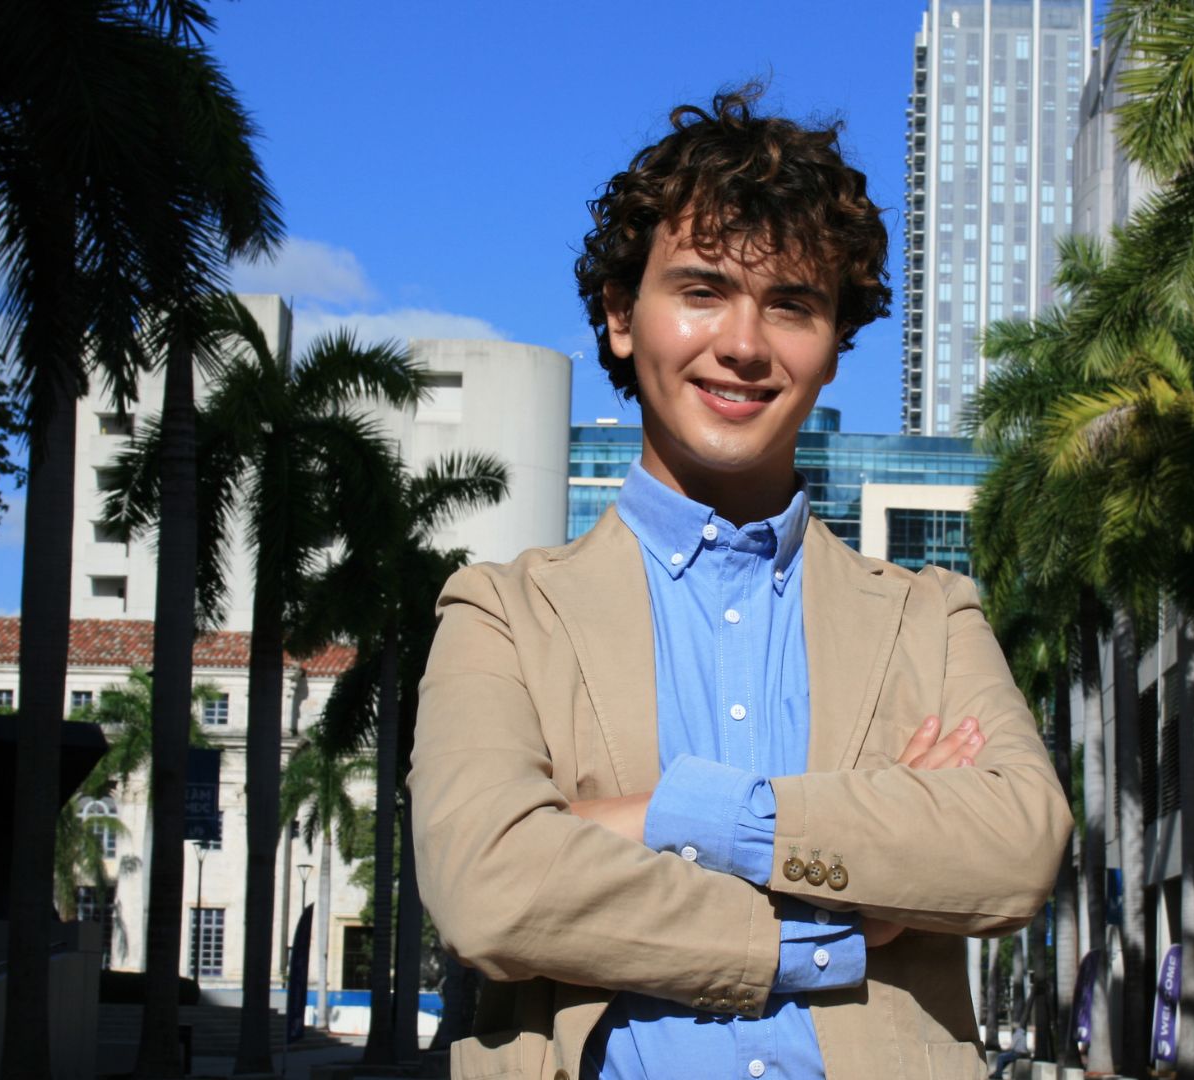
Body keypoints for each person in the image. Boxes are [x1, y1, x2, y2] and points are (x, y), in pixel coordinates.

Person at [410, 86, 1072, 1080]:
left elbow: (1015, 846)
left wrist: (673, 815)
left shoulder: (930, 617)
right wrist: (834, 924)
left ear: (833, 348)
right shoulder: (503, 615)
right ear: (621, 314)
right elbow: (489, 886)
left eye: (793, 305)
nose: (746, 345)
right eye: (703, 290)